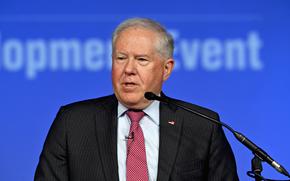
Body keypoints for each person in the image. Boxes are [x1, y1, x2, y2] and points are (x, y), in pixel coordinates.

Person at [35, 17, 239, 181]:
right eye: (121, 58)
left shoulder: (202, 126)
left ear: (166, 69)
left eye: (141, 60)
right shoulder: (73, 122)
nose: (129, 70)